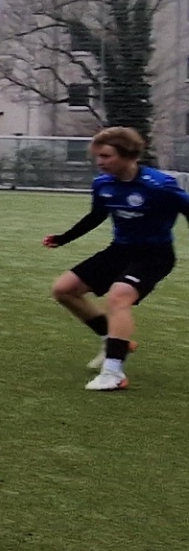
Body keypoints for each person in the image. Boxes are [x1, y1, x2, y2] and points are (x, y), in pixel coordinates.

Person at [42, 127, 189, 391]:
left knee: (119, 297)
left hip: (154, 255)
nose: (99, 161)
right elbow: (96, 216)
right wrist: (63, 238)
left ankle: (113, 373)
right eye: (97, 156)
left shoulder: (159, 185)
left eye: (106, 156)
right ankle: (115, 340)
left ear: (128, 155)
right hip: (119, 251)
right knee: (63, 289)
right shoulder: (103, 184)